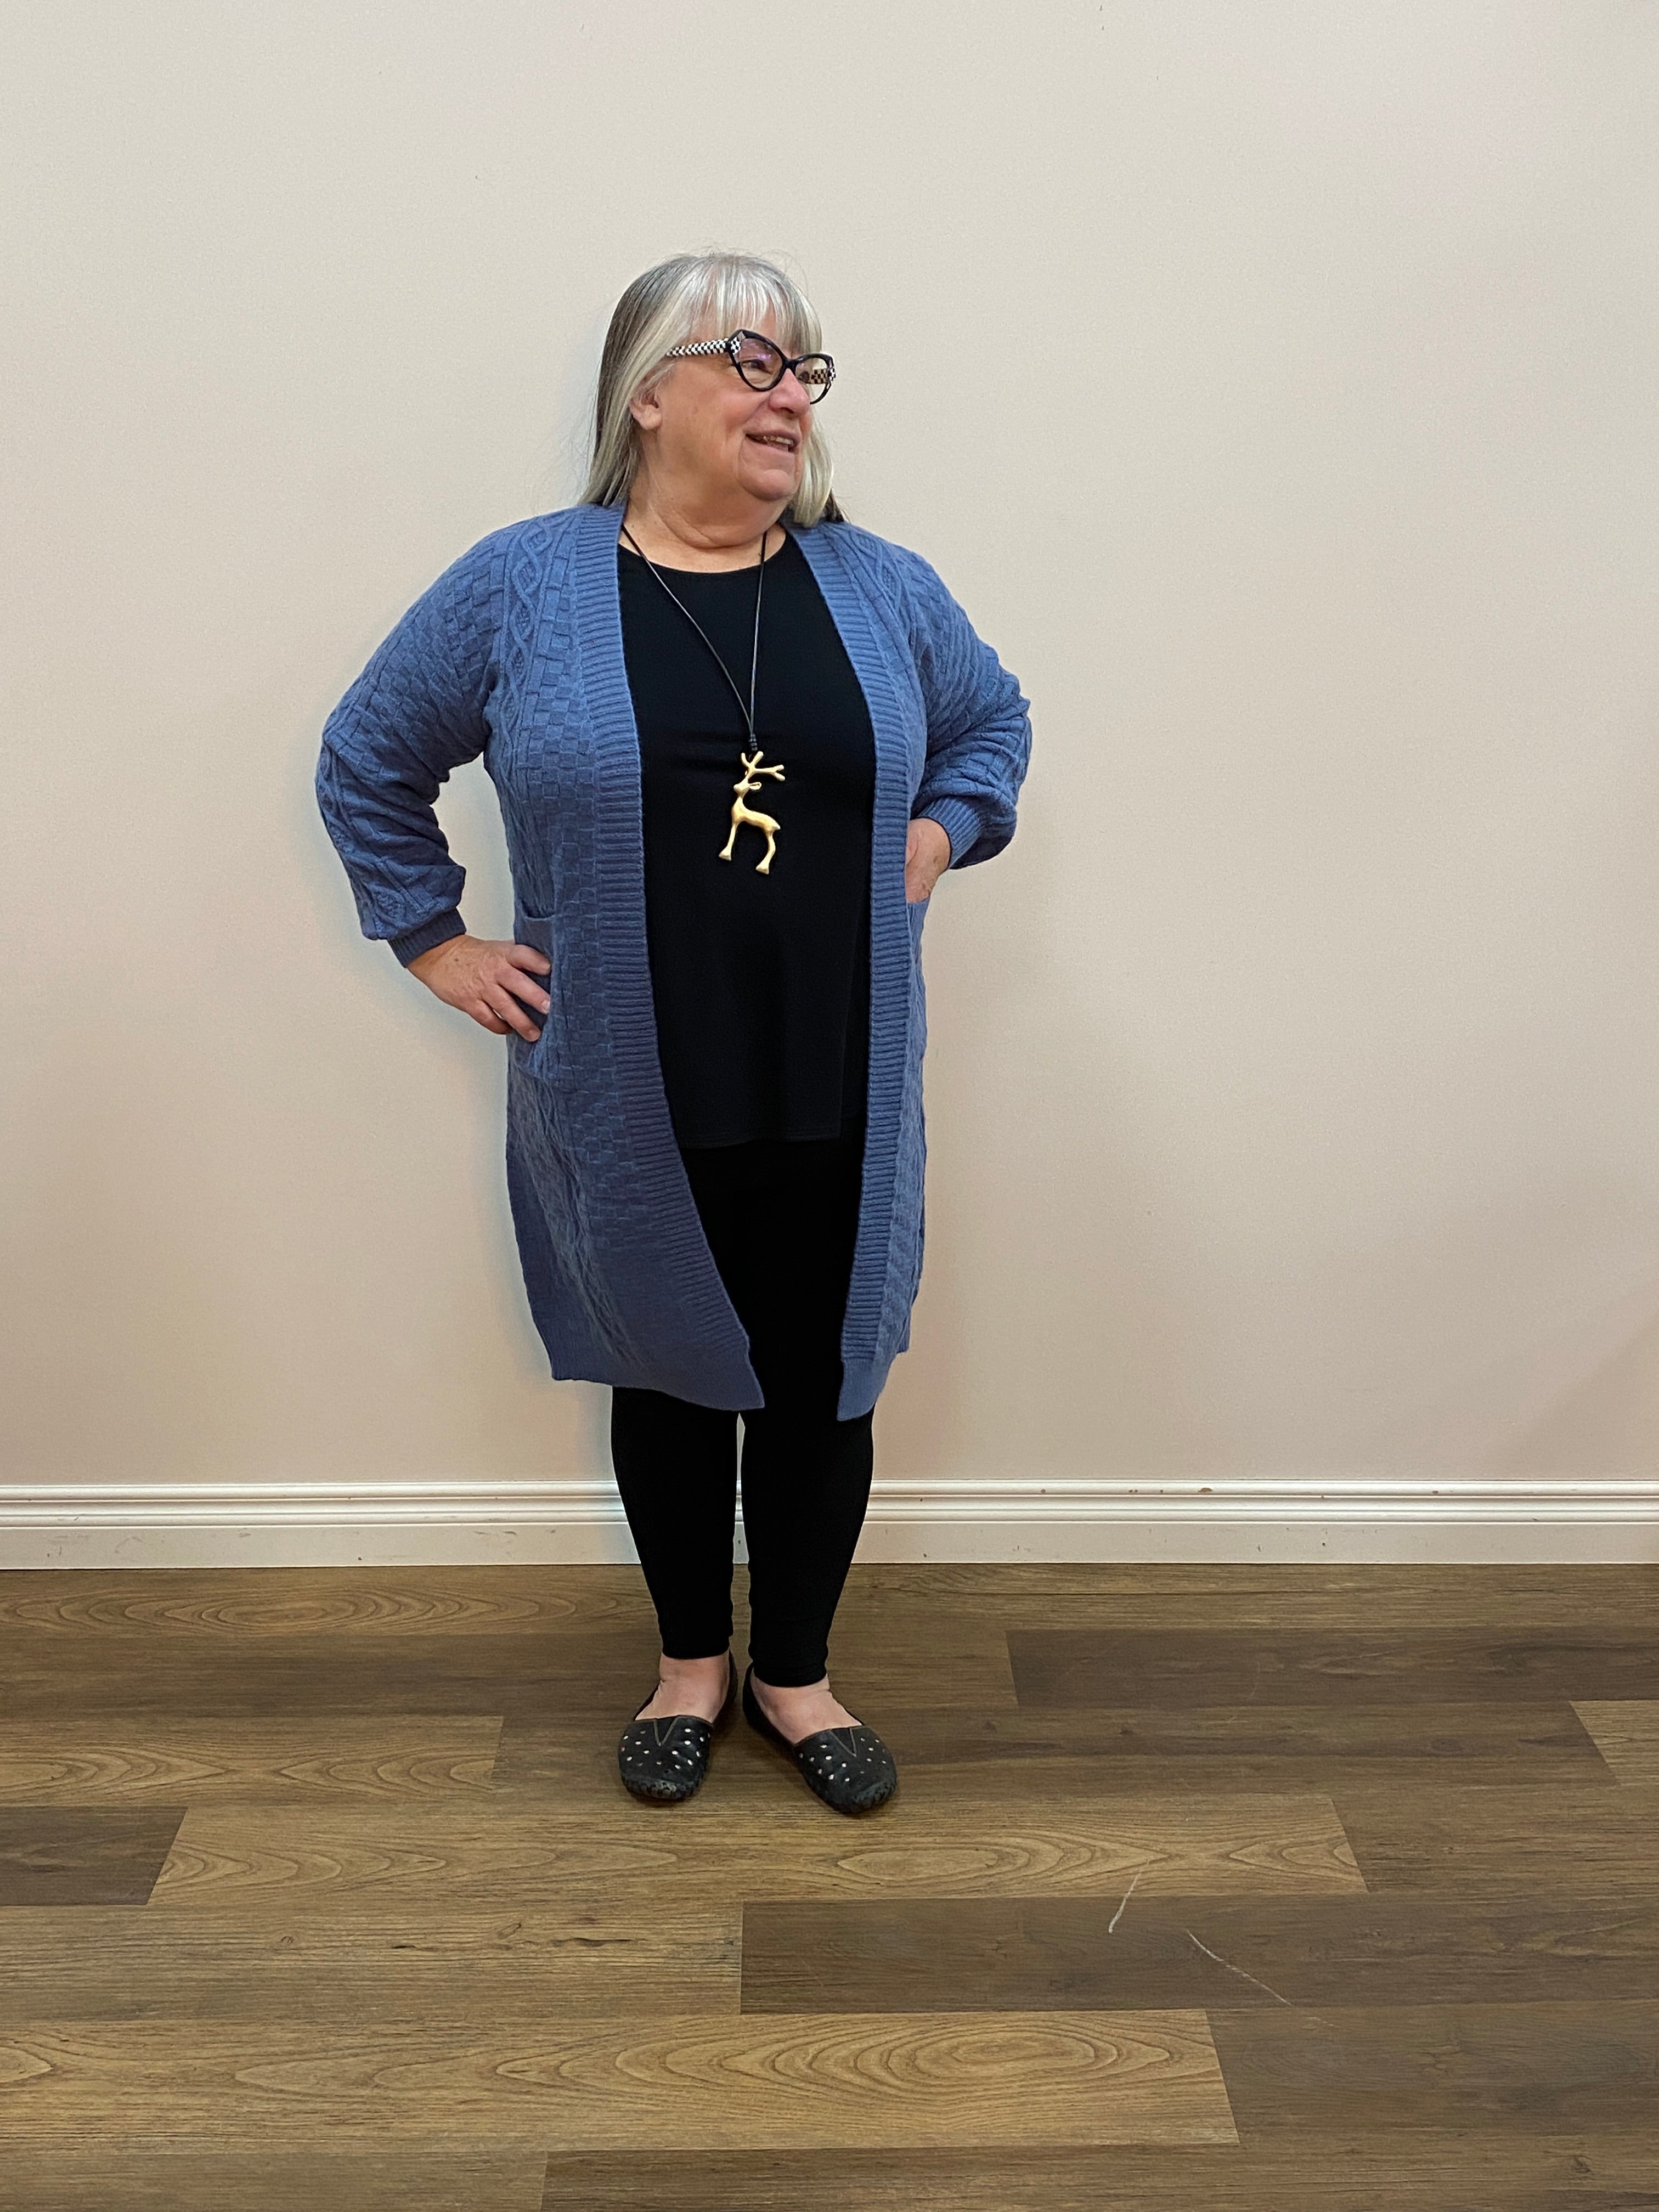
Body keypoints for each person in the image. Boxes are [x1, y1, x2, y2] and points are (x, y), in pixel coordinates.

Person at [315, 251, 1031, 1815]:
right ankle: (690, 1666)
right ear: (650, 393)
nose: (791, 399)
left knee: (823, 1374)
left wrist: (943, 829)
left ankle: (798, 1676)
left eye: (809, 374)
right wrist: (435, 942)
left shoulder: (877, 585)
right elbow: (369, 754)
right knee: (670, 1372)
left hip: (841, 1064)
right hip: (628, 1075)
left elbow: (991, 720)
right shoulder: (527, 583)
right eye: (756, 365)